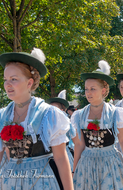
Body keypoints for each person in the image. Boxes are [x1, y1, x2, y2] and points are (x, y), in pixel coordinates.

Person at [0, 48, 73, 190]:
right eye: (5, 79)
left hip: (42, 182)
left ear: (29, 83)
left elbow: (61, 158)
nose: (7, 84)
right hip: (11, 182)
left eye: (13, 79)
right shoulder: (2, 115)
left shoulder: (48, 114)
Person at [71, 60, 123, 190]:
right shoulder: (80, 115)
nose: (88, 92)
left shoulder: (115, 113)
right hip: (87, 163)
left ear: (103, 90)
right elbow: (79, 144)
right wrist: (74, 170)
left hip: (110, 162)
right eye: (86, 89)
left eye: (93, 89)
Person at [47, 90, 76, 170]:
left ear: (62, 110)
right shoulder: (46, 122)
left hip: (64, 155)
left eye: (55, 108)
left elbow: (75, 140)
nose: (51, 110)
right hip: (48, 158)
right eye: (50, 108)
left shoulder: (66, 122)